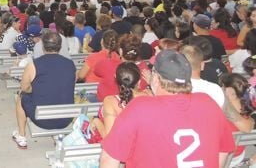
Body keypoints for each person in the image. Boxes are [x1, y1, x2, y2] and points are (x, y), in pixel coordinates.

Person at [100, 50, 235, 168]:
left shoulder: (139, 107)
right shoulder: (208, 103)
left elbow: (109, 159)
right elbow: (224, 149)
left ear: (157, 78)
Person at [12, 32, 76, 149]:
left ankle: (21, 136)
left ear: (42, 46)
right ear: (60, 46)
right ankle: (57, 135)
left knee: (21, 96)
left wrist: (34, 89)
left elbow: (24, 87)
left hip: (42, 120)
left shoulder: (34, 65)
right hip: (66, 118)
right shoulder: (70, 64)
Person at [91, 62, 149, 140]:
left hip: (119, 148)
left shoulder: (111, 101)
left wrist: (96, 121)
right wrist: (151, 83)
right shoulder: (151, 96)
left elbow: (109, 137)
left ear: (115, 78)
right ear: (139, 81)